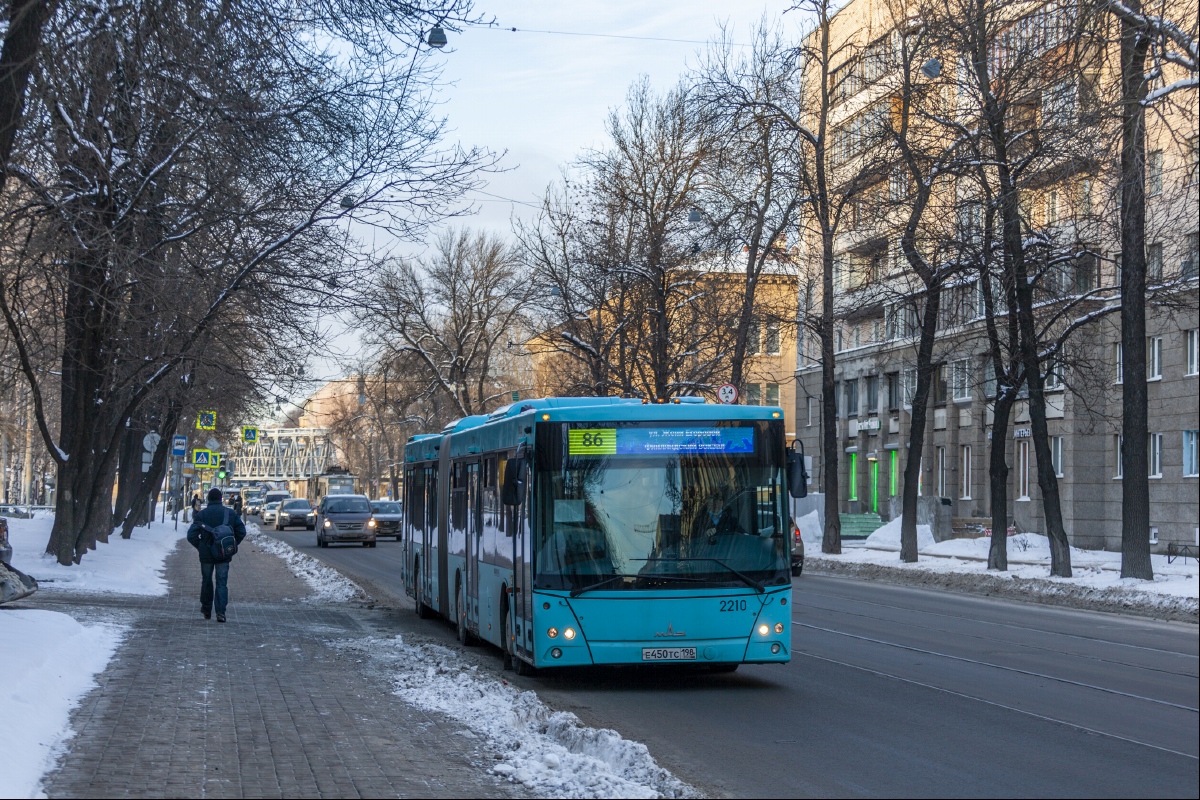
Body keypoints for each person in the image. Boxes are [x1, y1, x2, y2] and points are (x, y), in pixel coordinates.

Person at [186, 487, 247, 623]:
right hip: (223, 555)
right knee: (221, 583)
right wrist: (231, 545)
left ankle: (206, 609)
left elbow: (191, 535)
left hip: (206, 555)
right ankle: (221, 612)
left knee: (206, 581)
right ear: (220, 499)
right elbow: (241, 531)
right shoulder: (229, 514)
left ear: (208, 499)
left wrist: (201, 546)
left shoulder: (202, 515)